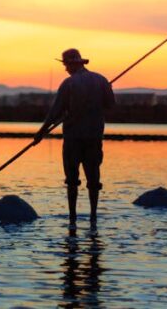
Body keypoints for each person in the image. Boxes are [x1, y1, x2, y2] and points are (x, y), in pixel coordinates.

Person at [33, 48, 115, 231]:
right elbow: (111, 105)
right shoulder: (101, 80)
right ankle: (93, 217)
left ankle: (72, 219)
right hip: (94, 137)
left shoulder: (69, 84)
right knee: (93, 178)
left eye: (66, 65)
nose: (65, 69)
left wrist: (41, 132)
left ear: (72, 64)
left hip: (73, 139)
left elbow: (55, 112)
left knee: (72, 180)